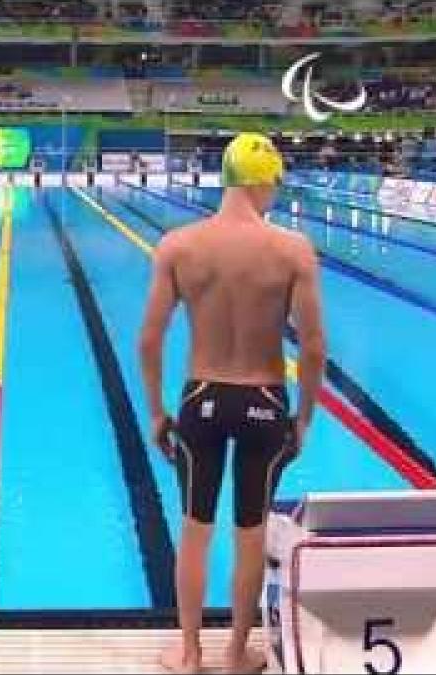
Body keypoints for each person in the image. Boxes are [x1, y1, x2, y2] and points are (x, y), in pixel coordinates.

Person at [138, 132, 326, 674]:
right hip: (265, 400)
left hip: (201, 399)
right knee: (250, 534)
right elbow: (313, 347)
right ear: (262, 180)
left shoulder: (179, 245)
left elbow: (148, 340)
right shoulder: (292, 250)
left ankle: (191, 653)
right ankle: (238, 651)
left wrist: (155, 411)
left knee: (195, 529)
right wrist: (304, 416)